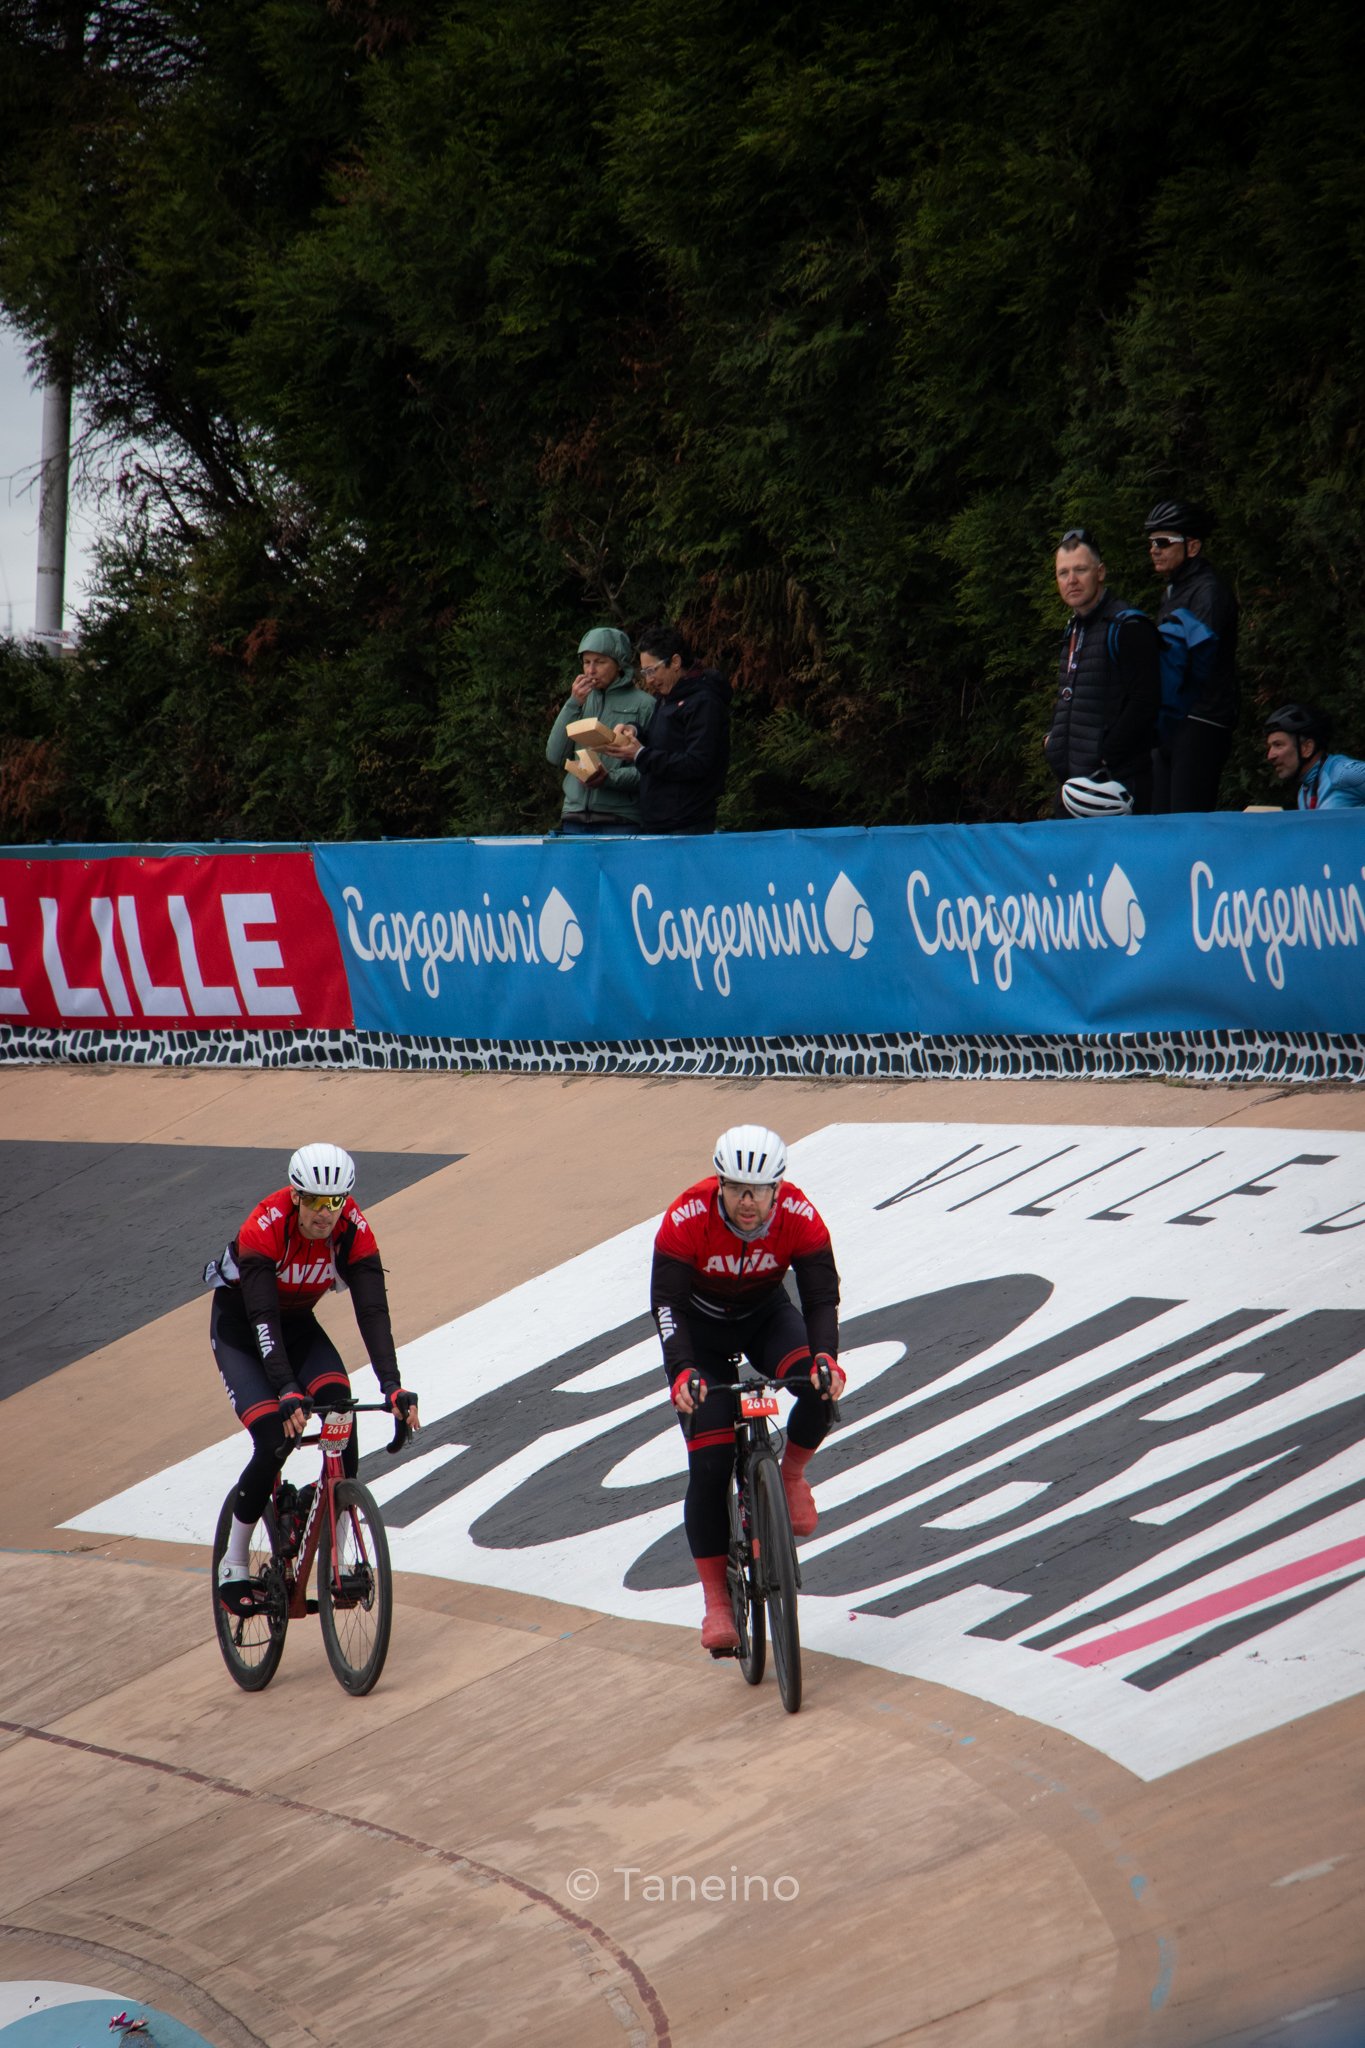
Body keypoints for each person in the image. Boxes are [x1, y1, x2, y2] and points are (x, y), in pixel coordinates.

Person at [652, 1125, 846, 1652]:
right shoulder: (685, 1218)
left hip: (765, 1317)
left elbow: (821, 1297)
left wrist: (826, 1357)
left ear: (777, 1189)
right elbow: (667, 1306)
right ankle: (717, 1602)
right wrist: (683, 1372)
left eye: (757, 1190)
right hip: (701, 1334)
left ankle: (791, 1476)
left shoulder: (801, 1218)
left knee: (820, 1385)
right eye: (735, 1187)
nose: (746, 1201)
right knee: (710, 1463)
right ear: (719, 1184)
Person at [205, 1143, 419, 1612]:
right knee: (273, 1436)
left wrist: (392, 1385)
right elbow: (263, 1318)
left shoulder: (350, 1228)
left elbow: (373, 1310)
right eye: (317, 1202)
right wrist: (285, 1389)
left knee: (340, 1407)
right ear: (296, 1196)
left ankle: (337, 1557)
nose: (327, 1214)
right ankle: (234, 1561)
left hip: (297, 1325)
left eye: (337, 1202)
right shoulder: (264, 1225)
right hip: (244, 1329)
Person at [1045, 528, 1161, 816]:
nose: (1071, 580)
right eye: (1063, 573)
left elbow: (1146, 702)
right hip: (1074, 785)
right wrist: (1052, 744)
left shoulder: (1128, 626)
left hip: (1116, 789)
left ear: (1100, 572)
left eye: (1080, 570)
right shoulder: (1072, 627)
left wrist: (1105, 755)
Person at [1144, 499, 1240, 811]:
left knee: (1186, 818)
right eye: (1150, 542)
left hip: (1203, 718)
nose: (1154, 550)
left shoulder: (1207, 590)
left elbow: (1194, 657)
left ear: (1193, 546)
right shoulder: (1172, 591)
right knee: (1158, 818)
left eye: (1163, 542)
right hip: (1174, 721)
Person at [598, 626, 730, 833]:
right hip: (657, 819)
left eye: (652, 670)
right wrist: (634, 732)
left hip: (687, 823)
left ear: (675, 662)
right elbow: (661, 741)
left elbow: (697, 763)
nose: (649, 680)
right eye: (644, 672)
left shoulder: (704, 702)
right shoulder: (666, 698)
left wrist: (641, 754)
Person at [545, 626, 656, 833]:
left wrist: (609, 778)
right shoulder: (580, 701)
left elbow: (652, 769)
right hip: (574, 817)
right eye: (586, 662)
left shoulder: (645, 705)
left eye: (600, 662)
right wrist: (572, 703)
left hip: (621, 819)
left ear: (619, 663)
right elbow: (554, 755)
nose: (591, 670)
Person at [1264, 704, 1365, 809]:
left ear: (1307, 748)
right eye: (1269, 747)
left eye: (1278, 745)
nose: (1270, 756)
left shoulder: (1344, 774)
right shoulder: (1303, 792)